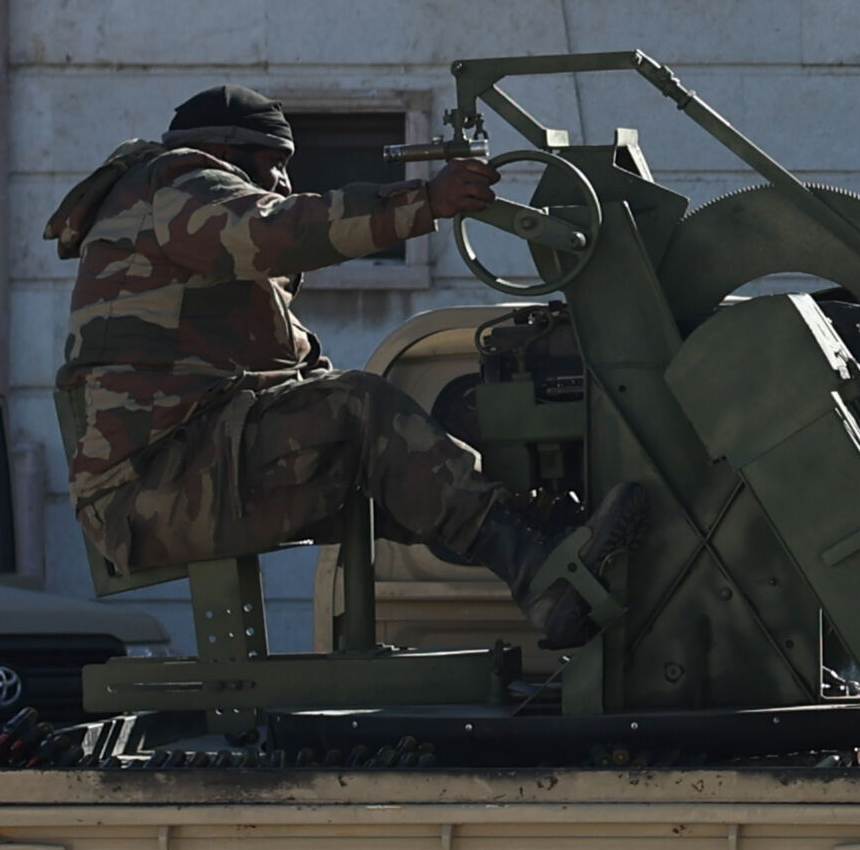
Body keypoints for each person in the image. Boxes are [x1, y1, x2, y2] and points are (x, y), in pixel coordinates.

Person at [42, 84, 623, 635]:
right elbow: (276, 231)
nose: (285, 182)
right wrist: (425, 201)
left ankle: (544, 538)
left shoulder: (184, 238)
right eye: (275, 164)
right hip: (154, 489)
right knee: (361, 410)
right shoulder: (172, 188)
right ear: (221, 153)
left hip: (178, 473)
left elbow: (294, 368)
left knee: (392, 447)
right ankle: (544, 577)